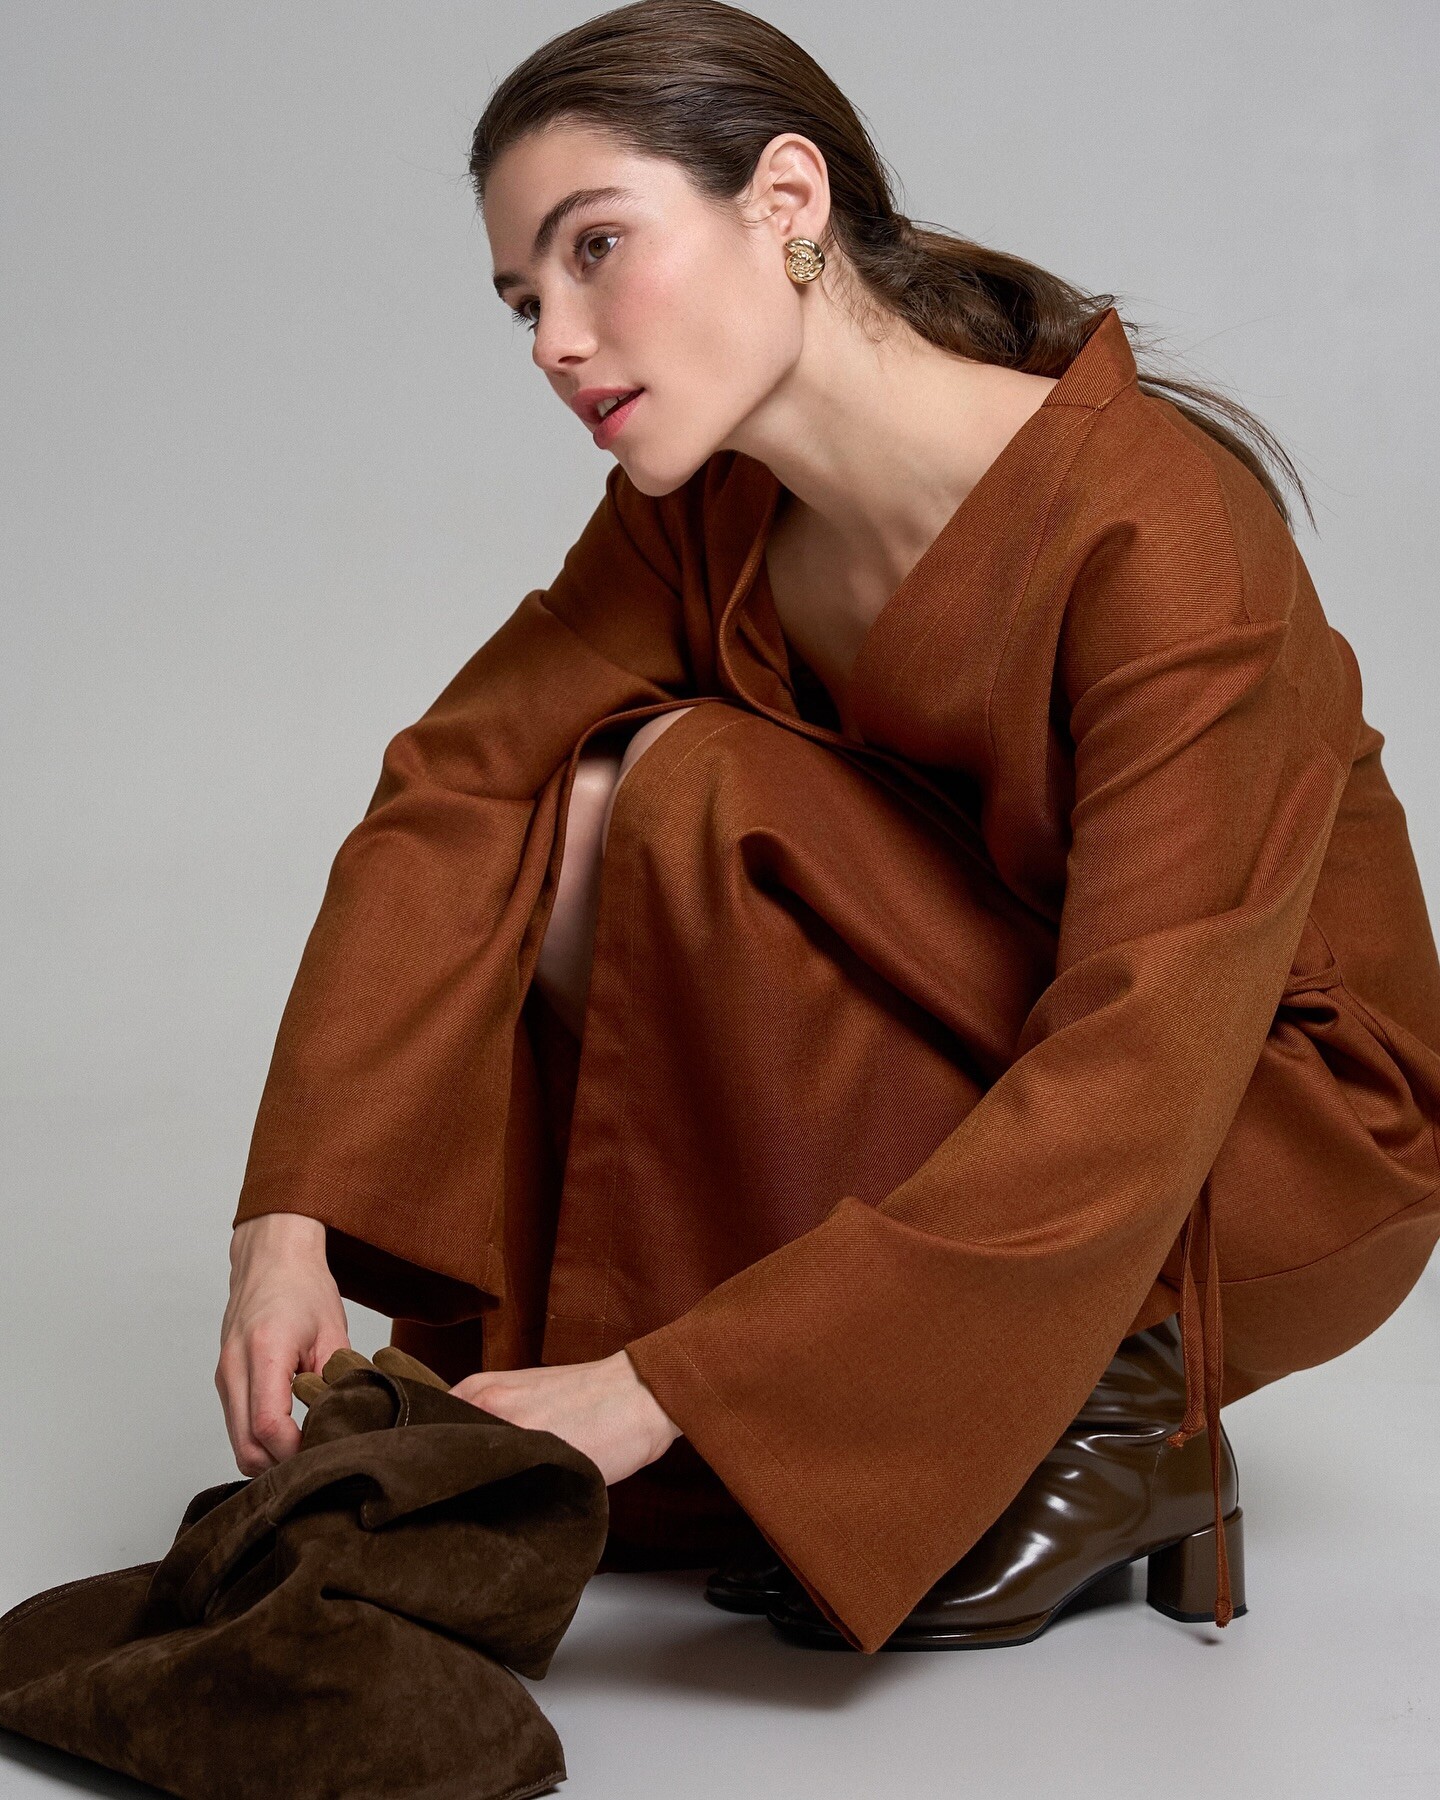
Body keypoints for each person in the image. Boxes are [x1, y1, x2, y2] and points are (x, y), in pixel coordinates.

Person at [216, 0, 1440, 1655]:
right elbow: (456, 783)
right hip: (1032, 1045)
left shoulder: (1165, 541)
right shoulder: (708, 511)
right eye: (523, 299)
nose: (555, 341)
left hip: (1261, 1139)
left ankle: (1118, 1402)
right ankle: (822, 1404)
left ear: (786, 201)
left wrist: (667, 1385)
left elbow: (1148, 1052)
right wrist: (285, 1222)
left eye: (596, 249)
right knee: (605, 800)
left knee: (675, 792)